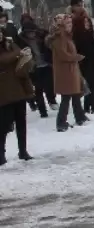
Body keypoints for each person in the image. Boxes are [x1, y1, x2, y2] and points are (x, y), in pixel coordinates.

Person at [0, 24, 35, 164]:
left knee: (21, 122)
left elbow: (19, 52)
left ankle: (23, 150)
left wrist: (23, 54)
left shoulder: (10, 45)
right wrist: (17, 54)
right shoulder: (9, 49)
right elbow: (3, 60)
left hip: (18, 88)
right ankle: (1, 154)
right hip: (4, 92)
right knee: (3, 125)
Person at [49, 14, 87, 132]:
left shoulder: (66, 36)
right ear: (62, 25)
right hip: (65, 71)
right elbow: (63, 55)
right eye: (68, 23)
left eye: (71, 23)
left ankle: (80, 117)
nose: (70, 26)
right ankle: (61, 123)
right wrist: (77, 57)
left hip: (70, 70)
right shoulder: (60, 37)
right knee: (66, 97)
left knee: (75, 95)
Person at [68, 0, 94, 113]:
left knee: (93, 79)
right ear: (72, 7)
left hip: (91, 53)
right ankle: (86, 105)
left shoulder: (86, 18)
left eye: (82, 5)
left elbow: (90, 35)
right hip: (79, 54)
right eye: (78, 5)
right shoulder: (70, 20)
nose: (81, 7)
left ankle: (93, 103)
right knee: (84, 81)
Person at [18, 14, 54, 118]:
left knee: (49, 85)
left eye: (33, 32)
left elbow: (49, 40)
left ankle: (51, 100)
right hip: (34, 68)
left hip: (46, 64)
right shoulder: (21, 40)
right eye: (29, 33)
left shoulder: (41, 35)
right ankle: (43, 111)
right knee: (38, 90)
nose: (31, 34)